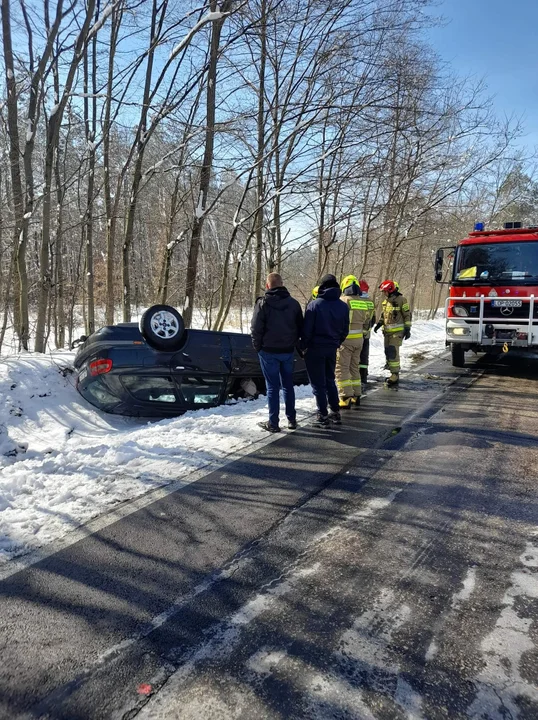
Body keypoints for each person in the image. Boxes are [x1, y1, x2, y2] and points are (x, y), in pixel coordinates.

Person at [251, 272, 303, 432]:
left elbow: (255, 328)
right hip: (287, 351)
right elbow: (300, 328)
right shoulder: (294, 304)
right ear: (282, 284)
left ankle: (273, 423)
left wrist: (258, 347)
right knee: (288, 385)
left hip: (268, 351)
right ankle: (292, 419)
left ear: (268, 286)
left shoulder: (263, 303)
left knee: (272, 387)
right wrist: (294, 344)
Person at [302, 274, 349, 427]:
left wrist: (304, 346)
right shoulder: (343, 306)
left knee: (318, 384)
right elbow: (345, 330)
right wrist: (336, 342)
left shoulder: (314, 305)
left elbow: (307, 331)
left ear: (322, 287)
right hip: (331, 348)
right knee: (330, 379)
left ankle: (322, 414)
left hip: (315, 348)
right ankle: (335, 412)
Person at [336, 275, 371, 408]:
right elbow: (367, 322)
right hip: (359, 340)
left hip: (345, 341)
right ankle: (356, 395)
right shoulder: (362, 302)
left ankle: (345, 397)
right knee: (354, 367)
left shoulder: (343, 301)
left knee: (341, 368)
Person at [374, 279, 412, 386]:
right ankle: (392, 371)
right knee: (388, 352)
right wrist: (379, 325)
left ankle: (395, 374)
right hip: (387, 333)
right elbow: (384, 316)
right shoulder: (386, 302)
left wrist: (408, 329)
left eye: (385, 291)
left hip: (397, 333)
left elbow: (407, 315)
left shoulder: (402, 300)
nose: (384, 294)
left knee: (393, 352)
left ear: (390, 290)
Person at [358, 280, 376, 385]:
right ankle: (363, 376)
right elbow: (373, 320)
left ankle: (355, 378)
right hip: (366, 335)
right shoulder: (371, 302)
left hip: (354, 335)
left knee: (354, 357)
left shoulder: (354, 301)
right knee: (364, 356)